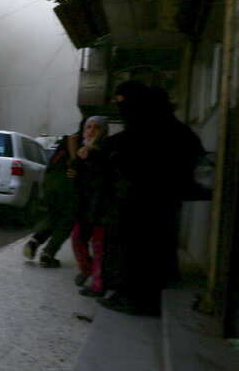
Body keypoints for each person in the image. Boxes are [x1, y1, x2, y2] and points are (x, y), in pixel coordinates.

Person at [100, 80, 204, 315]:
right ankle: (139, 294)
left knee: (138, 249)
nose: (120, 108)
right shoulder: (170, 126)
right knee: (153, 246)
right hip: (158, 200)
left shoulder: (149, 126)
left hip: (143, 200)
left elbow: (134, 156)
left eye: (122, 102)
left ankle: (135, 298)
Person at [22, 133, 78, 268]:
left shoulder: (64, 143)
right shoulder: (79, 139)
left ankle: (34, 242)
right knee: (66, 222)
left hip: (51, 182)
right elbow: (73, 139)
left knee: (54, 216)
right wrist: (75, 163)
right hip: (65, 184)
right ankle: (48, 254)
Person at [68, 116, 110, 297]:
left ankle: (98, 285)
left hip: (101, 207)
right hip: (84, 206)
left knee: (99, 245)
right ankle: (87, 270)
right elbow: (75, 177)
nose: (91, 131)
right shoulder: (82, 151)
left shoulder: (105, 150)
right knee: (78, 239)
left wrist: (89, 154)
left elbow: (103, 177)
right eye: (88, 127)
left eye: (96, 128)